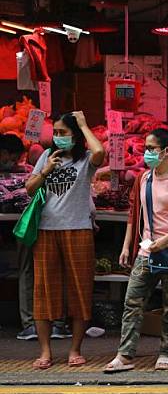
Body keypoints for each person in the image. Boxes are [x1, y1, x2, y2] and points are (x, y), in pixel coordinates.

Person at [104, 128, 168, 373]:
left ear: (166, 151)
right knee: (132, 301)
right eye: (145, 148)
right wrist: (126, 246)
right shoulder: (143, 178)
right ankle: (125, 355)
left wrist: (167, 238)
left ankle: (165, 352)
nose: (146, 153)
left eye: (151, 148)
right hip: (146, 250)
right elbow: (134, 215)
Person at [25, 111, 105, 370]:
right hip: (46, 230)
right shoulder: (47, 157)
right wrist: (45, 170)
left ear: (76, 136)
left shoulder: (84, 161)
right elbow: (30, 187)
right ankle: (46, 351)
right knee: (44, 290)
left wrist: (83, 123)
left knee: (80, 289)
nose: (58, 138)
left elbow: (100, 152)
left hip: (78, 228)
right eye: (55, 133)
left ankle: (75, 349)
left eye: (63, 133)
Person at [1, 134, 72, 341]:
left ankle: (38, 323)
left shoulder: (42, 161)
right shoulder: (47, 159)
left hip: (37, 221)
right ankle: (49, 322)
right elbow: (32, 188)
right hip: (39, 221)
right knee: (46, 270)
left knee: (35, 270)